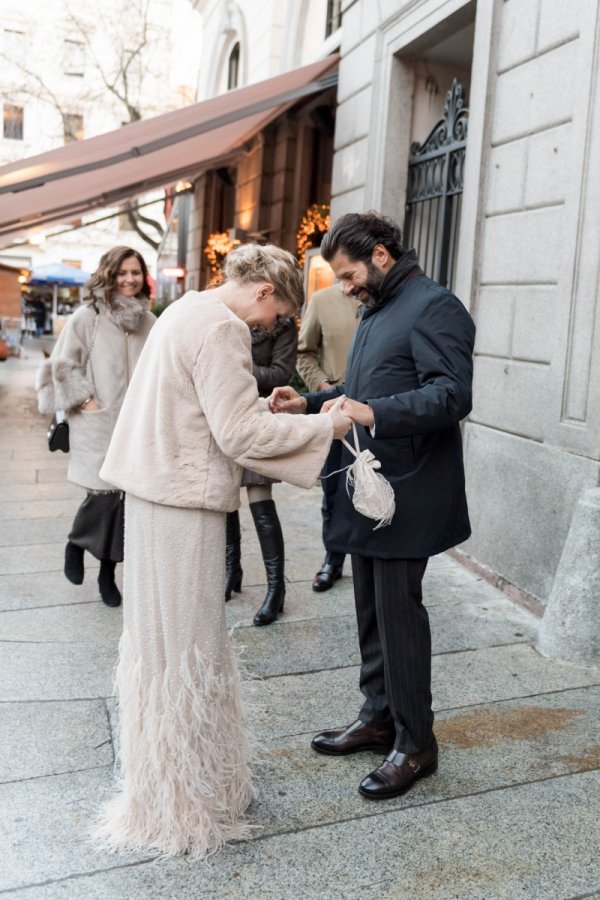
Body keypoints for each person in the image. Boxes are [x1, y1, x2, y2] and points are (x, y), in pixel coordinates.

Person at [91, 243, 351, 858]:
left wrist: (269, 403)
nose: (270, 328)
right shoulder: (224, 329)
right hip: (183, 502)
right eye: (277, 315)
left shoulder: (188, 309)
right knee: (189, 644)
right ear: (265, 291)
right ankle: (184, 800)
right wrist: (325, 426)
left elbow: (202, 411)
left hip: (155, 494)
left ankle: (171, 789)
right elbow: (236, 434)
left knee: (161, 645)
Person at [270, 212, 475, 800]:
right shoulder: (379, 307)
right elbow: (362, 392)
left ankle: (416, 745)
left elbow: (452, 394)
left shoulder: (435, 305)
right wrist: (309, 403)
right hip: (368, 487)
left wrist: (372, 414)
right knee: (368, 610)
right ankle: (378, 715)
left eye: (349, 273)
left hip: (408, 490)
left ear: (381, 255)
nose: (344, 285)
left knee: (398, 615)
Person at [35, 246, 155, 607]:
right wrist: (86, 400)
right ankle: (76, 543)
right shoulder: (89, 316)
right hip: (98, 422)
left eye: (135, 272)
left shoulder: (150, 322)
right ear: (109, 274)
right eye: (122, 273)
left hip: (136, 425)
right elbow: (62, 364)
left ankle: (106, 574)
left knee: (124, 503)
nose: (129, 279)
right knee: (102, 496)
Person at [225, 314, 299, 626]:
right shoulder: (226, 315)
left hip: (258, 416)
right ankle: (231, 570)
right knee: (223, 494)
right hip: (223, 414)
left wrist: (233, 371)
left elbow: (280, 374)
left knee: (259, 498)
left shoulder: (282, 324)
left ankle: (276, 589)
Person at [296, 283, 360, 591]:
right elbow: (303, 352)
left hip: (379, 408)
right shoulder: (321, 301)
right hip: (335, 409)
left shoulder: (380, 297)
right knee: (333, 489)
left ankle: (369, 557)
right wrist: (323, 387)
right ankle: (332, 560)